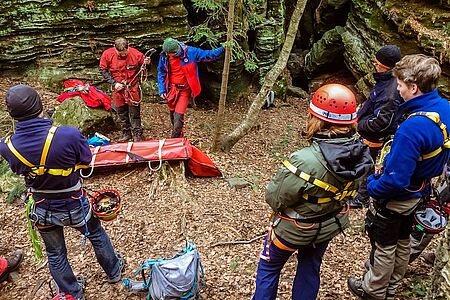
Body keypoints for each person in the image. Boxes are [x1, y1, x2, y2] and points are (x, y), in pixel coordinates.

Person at [0, 85, 124, 300]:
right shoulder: (68, 134)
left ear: (12, 114)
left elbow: (19, 168)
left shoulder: (6, 146)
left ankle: (72, 292)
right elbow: (85, 161)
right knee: (95, 234)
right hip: (74, 202)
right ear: (39, 105)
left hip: (41, 206)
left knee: (55, 253)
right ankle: (114, 272)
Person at [252, 84, 372, 300]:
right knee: (309, 268)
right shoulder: (362, 154)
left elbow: (274, 197)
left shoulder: (305, 160)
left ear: (318, 119)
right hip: (329, 223)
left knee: (269, 268)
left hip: (296, 227)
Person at [348, 54, 450, 300]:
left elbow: (395, 180)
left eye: (401, 84)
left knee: (384, 243)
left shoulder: (413, 129)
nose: (398, 88)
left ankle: (374, 289)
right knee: (404, 238)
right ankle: (392, 284)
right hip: (420, 190)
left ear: (414, 87)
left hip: (399, 194)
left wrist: (373, 186)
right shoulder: (444, 108)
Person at [350, 45, 403, 209]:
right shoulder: (386, 80)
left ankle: (362, 198)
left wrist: (359, 124)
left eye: (376, 62)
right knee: (363, 161)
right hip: (370, 133)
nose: (374, 64)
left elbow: (382, 122)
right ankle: (358, 191)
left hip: (376, 137)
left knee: (369, 164)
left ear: (386, 66)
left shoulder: (391, 91)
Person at [157, 38, 224, 138]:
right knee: (173, 114)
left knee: (178, 116)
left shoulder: (191, 52)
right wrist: (162, 89)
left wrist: (224, 47)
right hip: (171, 89)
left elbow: (209, 55)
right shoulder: (165, 56)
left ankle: (173, 141)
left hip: (184, 90)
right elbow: (161, 72)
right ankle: (179, 136)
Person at [100, 37, 149, 142]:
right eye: (120, 53)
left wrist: (147, 63)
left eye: (124, 53)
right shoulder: (107, 54)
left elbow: (145, 69)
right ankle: (126, 132)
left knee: (134, 113)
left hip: (132, 88)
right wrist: (114, 83)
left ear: (128, 46)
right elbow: (103, 70)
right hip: (118, 89)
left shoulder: (136, 54)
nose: (122, 55)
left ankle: (137, 134)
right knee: (121, 112)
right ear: (114, 47)